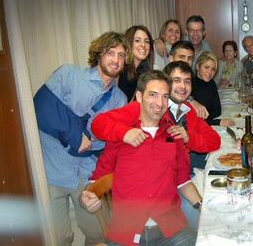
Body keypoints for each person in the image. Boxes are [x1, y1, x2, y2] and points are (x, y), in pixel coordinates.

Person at [90, 62, 221, 229]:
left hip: (179, 178)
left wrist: (189, 138)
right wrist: (124, 133)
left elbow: (214, 141)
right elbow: (99, 124)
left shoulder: (187, 110)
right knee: (199, 221)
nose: (182, 86)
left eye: (187, 81)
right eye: (176, 80)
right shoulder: (147, 107)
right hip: (158, 192)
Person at [33, 31, 129, 245]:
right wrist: (75, 136)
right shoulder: (69, 75)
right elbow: (41, 107)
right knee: (59, 237)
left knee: (96, 234)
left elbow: (111, 143)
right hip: (53, 169)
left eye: (121, 55)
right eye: (110, 52)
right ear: (99, 53)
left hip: (87, 175)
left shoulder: (120, 100)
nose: (116, 60)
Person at [81, 71, 198, 245]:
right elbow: (95, 184)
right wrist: (86, 199)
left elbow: (183, 182)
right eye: (153, 95)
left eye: (165, 97)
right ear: (139, 97)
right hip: (126, 232)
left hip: (172, 231)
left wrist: (201, 205)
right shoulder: (121, 137)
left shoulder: (174, 136)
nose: (160, 103)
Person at [191, 51, 235, 128]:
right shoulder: (190, 86)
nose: (210, 72)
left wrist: (206, 117)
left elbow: (217, 111)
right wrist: (218, 122)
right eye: (206, 67)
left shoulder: (211, 83)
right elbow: (192, 120)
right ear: (198, 66)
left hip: (206, 124)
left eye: (213, 69)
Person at [118, 25, 153, 101]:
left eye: (147, 41)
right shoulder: (120, 70)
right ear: (128, 43)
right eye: (137, 40)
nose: (143, 45)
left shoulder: (142, 72)